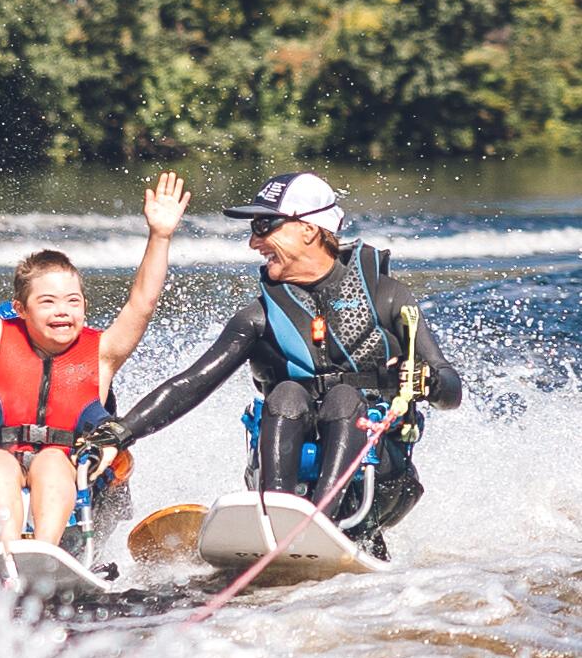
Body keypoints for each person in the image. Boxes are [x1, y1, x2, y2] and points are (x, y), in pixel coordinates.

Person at [76, 172, 462, 557]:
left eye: (264, 225)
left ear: (309, 229)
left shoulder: (388, 298)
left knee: (344, 398)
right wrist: (120, 432)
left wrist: (430, 382)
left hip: (381, 481)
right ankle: (279, 519)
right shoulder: (259, 318)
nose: (253, 241)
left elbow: (451, 390)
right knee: (287, 394)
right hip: (287, 483)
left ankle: (319, 526)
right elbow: (192, 384)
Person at [0, 152, 191, 545]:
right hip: (4, 462)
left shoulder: (102, 353)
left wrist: (160, 237)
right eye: (48, 302)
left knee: (52, 461)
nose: (63, 311)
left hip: (69, 468)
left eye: (73, 301)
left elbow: (142, 303)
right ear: (21, 309)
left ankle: (44, 551)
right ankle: (8, 551)